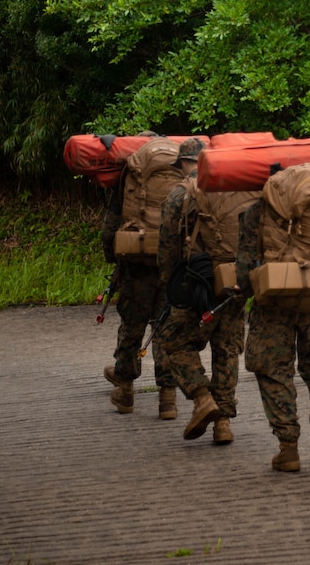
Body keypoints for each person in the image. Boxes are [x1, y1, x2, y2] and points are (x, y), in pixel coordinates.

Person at [236, 196, 310, 472]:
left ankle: (289, 449)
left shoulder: (257, 211)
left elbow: (244, 272)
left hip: (273, 300)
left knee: (273, 370)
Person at [157, 141, 248, 446]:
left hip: (195, 283)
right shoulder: (238, 189)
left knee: (173, 339)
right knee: (227, 352)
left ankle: (201, 397)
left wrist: (170, 284)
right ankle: (223, 424)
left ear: (185, 163)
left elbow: (168, 246)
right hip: (233, 282)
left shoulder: (180, 193)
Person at [101, 131, 178, 420]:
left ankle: (125, 391)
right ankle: (168, 399)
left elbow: (112, 223)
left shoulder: (130, 173)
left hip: (136, 261)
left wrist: (114, 257)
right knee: (164, 330)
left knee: (132, 326)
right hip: (170, 265)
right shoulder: (178, 169)